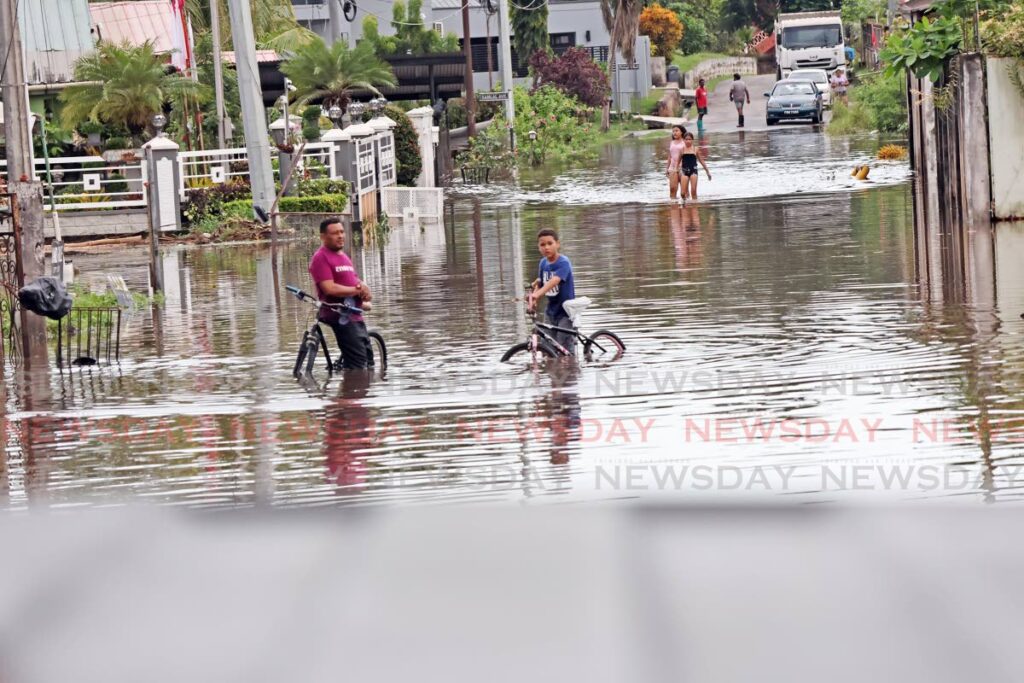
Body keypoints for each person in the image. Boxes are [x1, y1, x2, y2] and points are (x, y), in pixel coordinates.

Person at [309, 217, 373, 369]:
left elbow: (354, 279)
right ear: (323, 237)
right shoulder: (321, 258)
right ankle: (353, 390)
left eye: (342, 232)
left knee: (368, 362)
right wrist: (357, 290)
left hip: (354, 313)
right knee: (358, 367)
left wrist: (364, 289)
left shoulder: (343, 257)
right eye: (335, 233)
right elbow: (329, 288)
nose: (340, 236)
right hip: (340, 315)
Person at [528, 228, 576, 356]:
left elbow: (554, 281)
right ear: (538, 247)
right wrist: (533, 300)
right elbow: (542, 282)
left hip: (566, 312)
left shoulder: (564, 263)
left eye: (550, 243)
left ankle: (571, 371)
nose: (546, 247)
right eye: (542, 244)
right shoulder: (543, 263)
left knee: (563, 347)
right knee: (547, 347)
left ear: (557, 244)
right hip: (551, 312)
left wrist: (537, 294)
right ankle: (553, 371)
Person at [679, 131, 711, 202]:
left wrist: (707, 172)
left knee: (693, 191)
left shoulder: (695, 149)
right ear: (683, 140)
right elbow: (678, 162)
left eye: (689, 139)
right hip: (684, 172)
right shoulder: (682, 150)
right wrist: (675, 171)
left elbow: (702, 161)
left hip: (693, 171)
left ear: (692, 140)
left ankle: (694, 207)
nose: (688, 141)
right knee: (682, 193)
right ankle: (685, 203)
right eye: (686, 139)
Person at [666, 124, 687, 202]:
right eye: (673, 131)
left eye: (676, 131)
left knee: (684, 191)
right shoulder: (672, 142)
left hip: (683, 167)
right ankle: (673, 207)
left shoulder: (685, 142)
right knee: (672, 189)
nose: (674, 133)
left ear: (681, 132)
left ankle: (686, 206)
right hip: (673, 167)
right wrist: (667, 168)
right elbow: (669, 156)